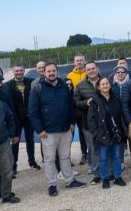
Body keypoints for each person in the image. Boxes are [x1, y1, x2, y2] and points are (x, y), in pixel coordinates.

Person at [28, 62, 86, 196]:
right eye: (48, 71)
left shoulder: (64, 87)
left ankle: (69, 180)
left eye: (53, 71)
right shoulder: (38, 89)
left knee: (65, 156)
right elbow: (32, 112)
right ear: (44, 73)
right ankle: (52, 185)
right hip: (48, 132)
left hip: (65, 129)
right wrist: (40, 130)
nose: (51, 73)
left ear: (57, 72)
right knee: (49, 159)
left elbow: (70, 105)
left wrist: (72, 122)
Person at [87, 77, 128, 188]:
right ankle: (105, 179)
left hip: (115, 133)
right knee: (103, 158)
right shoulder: (95, 101)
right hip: (102, 134)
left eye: (107, 83)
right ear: (99, 87)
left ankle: (118, 177)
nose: (105, 85)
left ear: (110, 85)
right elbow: (91, 120)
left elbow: (121, 115)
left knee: (116, 156)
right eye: (103, 84)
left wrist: (123, 129)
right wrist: (96, 133)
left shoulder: (115, 99)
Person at [3, 65, 39, 173]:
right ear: (13, 72)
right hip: (15, 119)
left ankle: (32, 162)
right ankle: (13, 165)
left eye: (21, 70)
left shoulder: (31, 82)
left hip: (28, 118)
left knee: (30, 140)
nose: (19, 72)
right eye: (16, 71)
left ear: (24, 71)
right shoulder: (7, 85)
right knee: (15, 142)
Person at [73, 61, 103, 182]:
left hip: (104, 122)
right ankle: (96, 173)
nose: (91, 71)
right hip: (88, 123)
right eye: (89, 69)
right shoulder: (80, 86)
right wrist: (85, 103)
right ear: (86, 71)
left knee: (106, 146)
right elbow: (75, 102)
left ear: (97, 69)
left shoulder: (105, 82)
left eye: (93, 68)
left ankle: (108, 170)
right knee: (92, 148)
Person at [67, 54, 89, 166]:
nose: (79, 62)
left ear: (84, 61)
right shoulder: (70, 75)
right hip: (73, 107)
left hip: (83, 107)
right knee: (69, 133)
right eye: (77, 61)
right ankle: (66, 157)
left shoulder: (88, 72)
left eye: (81, 60)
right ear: (74, 62)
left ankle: (85, 153)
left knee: (82, 132)